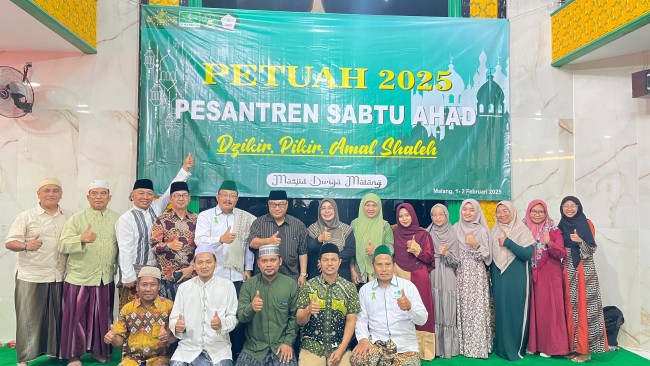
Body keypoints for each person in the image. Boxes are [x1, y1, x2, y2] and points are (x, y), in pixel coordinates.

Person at [4, 178, 71, 365]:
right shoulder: (26, 216)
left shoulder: (68, 216)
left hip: (59, 275)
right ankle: (24, 358)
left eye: (56, 190)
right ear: (38, 194)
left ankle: (53, 351)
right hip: (31, 275)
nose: (51, 194)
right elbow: (10, 242)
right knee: (29, 318)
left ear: (61, 194)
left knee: (56, 318)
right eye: (47, 190)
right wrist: (26, 245)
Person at [116, 154, 194, 309]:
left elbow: (170, 193)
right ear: (132, 195)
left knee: (152, 313)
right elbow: (124, 250)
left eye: (149, 193)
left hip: (154, 270)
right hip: (134, 271)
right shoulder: (126, 219)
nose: (145, 197)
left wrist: (184, 169)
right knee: (132, 312)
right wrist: (128, 277)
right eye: (141, 193)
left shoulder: (155, 209)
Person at [58, 179, 120, 365]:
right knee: (75, 318)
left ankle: (98, 350)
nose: (98, 197)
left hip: (104, 278)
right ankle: (73, 355)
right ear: (88, 197)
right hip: (79, 277)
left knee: (102, 317)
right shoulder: (77, 219)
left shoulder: (117, 218)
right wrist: (81, 239)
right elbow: (62, 245)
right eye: (94, 193)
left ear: (109, 197)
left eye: (103, 193)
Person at [194, 179, 256, 359]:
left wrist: (248, 268)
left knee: (234, 313)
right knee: (213, 311)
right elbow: (199, 241)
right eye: (225, 195)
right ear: (217, 197)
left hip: (237, 274)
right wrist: (220, 239)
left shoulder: (244, 218)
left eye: (232, 196)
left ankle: (234, 351)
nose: (228, 199)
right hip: (214, 274)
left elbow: (247, 245)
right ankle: (211, 350)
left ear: (237, 199)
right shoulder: (205, 216)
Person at [351, 245, 427, 366]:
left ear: (393, 266)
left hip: (404, 346)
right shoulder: (365, 290)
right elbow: (361, 319)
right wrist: (363, 339)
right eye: (379, 265)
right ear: (373, 267)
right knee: (357, 359)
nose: (384, 269)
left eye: (387, 264)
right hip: (377, 343)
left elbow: (422, 319)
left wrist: (409, 307)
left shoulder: (408, 287)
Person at [169, 245, 239, 366]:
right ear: (194, 266)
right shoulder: (184, 288)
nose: (204, 266)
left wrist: (221, 324)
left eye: (208, 262)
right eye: (200, 262)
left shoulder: (227, 286)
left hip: (218, 348)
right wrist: (177, 326)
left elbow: (233, 317)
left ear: (216, 264)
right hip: (188, 348)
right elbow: (174, 319)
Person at [558, 196, 608, 362]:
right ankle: (574, 348)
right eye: (566, 206)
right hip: (568, 269)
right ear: (562, 208)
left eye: (573, 206)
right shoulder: (561, 225)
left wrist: (580, 241)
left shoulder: (586, 223)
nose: (569, 209)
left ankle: (586, 351)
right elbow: (560, 248)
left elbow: (592, 248)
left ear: (579, 207)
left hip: (584, 270)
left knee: (585, 308)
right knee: (571, 308)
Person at [296, 243, 360, 366]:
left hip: (340, 347)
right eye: (325, 260)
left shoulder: (350, 288)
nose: (330, 263)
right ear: (319, 262)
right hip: (312, 347)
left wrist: (341, 350)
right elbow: (299, 320)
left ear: (339, 262)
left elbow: (351, 321)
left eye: (333, 260)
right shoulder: (308, 286)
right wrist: (308, 310)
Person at [236, 245, 299, 366]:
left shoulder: (290, 285)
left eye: (273, 260)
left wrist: (288, 342)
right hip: (253, 348)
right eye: (264, 261)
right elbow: (241, 317)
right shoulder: (248, 286)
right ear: (258, 263)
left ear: (280, 261)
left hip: (281, 347)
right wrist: (251, 308)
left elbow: (294, 317)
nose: (269, 264)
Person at [524, 199, 570, 357]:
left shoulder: (553, 229)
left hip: (550, 273)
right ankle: (534, 345)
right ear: (529, 212)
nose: (537, 215)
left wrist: (550, 242)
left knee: (550, 310)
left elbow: (562, 253)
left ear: (546, 213)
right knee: (534, 310)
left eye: (541, 211)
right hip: (529, 272)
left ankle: (552, 347)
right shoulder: (522, 227)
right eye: (534, 211)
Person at [490, 201, 534, 360]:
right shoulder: (493, 231)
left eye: (505, 211)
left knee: (515, 310)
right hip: (498, 275)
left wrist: (508, 242)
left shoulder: (521, 230)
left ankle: (516, 349)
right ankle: (502, 348)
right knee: (501, 310)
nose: (502, 214)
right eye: (499, 212)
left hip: (517, 274)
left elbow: (527, 254)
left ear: (512, 211)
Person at [103, 266, 175, 366]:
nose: (148, 289)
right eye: (144, 285)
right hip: (132, 360)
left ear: (159, 286)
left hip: (160, 359)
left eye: (153, 285)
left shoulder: (168, 306)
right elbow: (119, 342)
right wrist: (113, 338)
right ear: (137, 287)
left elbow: (175, 337)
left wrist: (168, 335)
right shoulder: (128, 309)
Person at [391, 203, 435, 360]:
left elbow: (429, 258)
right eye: (401, 216)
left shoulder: (423, 234)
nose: (404, 218)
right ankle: (402, 348)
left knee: (420, 307)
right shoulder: (394, 232)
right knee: (399, 309)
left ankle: (424, 351)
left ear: (413, 215)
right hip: (398, 274)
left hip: (418, 274)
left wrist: (417, 250)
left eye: (407, 215)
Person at [453, 199, 492, 359]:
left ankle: (477, 347)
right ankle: (462, 346)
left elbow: (487, 256)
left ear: (476, 212)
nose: (467, 213)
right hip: (459, 273)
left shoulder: (482, 230)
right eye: (464, 209)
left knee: (476, 309)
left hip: (476, 274)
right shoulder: (455, 228)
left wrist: (475, 245)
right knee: (462, 307)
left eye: (471, 210)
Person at [248, 190, 308, 287]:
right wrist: (268, 241)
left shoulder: (298, 225)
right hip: (263, 278)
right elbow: (252, 243)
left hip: (291, 277)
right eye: (273, 204)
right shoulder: (258, 223)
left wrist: (303, 275)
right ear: (268, 204)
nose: (277, 208)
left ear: (287, 205)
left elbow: (303, 252)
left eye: (281, 204)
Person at [150, 181, 198, 300]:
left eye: (184, 195)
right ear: (171, 199)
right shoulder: (161, 220)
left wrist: (192, 268)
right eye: (177, 195)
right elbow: (154, 247)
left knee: (189, 314)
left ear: (189, 198)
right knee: (168, 313)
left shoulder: (197, 219)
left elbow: (202, 248)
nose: (181, 198)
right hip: (167, 278)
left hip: (191, 276)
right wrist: (168, 245)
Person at [425, 203, 460, 359]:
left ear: (447, 216)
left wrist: (446, 254)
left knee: (447, 307)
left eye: (441, 214)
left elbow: (456, 262)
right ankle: (435, 348)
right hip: (432, 272)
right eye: (434, 215)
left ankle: (448, 348)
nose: (438, 218)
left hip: (447, 273)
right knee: (434, 305)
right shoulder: (427, 233)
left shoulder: (453, 234)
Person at [306, 199, 356, 281]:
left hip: (341, 273)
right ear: (319, 211)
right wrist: (319, 239)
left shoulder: (345, 229)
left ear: (335, 210)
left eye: (330, 208)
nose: (327, 211)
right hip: (317, 273)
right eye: (323, 208)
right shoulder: (312, 229)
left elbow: (351, 250)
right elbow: (308, 249)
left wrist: (332, 260)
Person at [350, 193, 393, 287]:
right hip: (358, 273)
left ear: (379, 207)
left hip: (380, 272)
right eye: (367, 205)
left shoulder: (385, 225)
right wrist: (352, 270)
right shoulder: (354, 224)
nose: (370, 208)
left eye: (374, 205)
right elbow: (350, 249)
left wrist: (377, 250)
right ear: (362, 206)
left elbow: (392, 249)